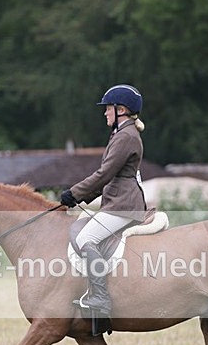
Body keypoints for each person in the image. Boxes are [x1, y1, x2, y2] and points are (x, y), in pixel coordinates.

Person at [60, 84, 147, 317]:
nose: (105, 113)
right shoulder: (121, 134)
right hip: (118, 200)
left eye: (108, 108)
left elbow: (104, 175)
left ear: (121, 110)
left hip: (124, 205)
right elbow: (109, 179)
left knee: (86, 237)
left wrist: (74, 193)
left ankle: (100, 297)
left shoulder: (126, 136)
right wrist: (79, 198)